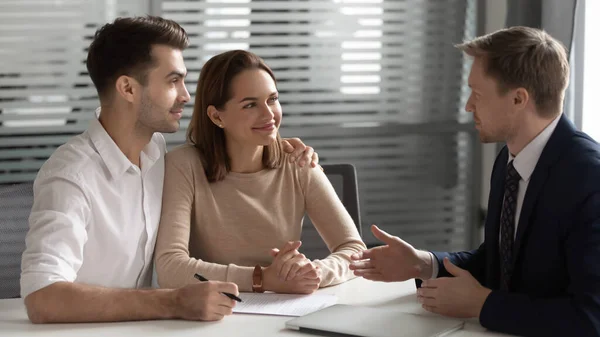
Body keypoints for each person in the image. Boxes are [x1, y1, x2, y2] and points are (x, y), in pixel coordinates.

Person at [20, 16, 318, 324]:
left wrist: (277, 145)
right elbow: (43, 298)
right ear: (128, 88)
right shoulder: (71, 175)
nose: (186, 95)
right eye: (173, 81)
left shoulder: (156, 152)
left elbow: (217, 150)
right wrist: (174, 300)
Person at [350, 26, 600, 337]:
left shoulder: (589, 179)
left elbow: (591, 318)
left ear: (519, 99)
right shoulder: (510, 160)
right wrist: (423, 264)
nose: (468, 106)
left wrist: (484, 305)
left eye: (477, 94)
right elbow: (499, 263)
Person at [154, 50, 366, 294]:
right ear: (216, 116)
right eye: (250, 104)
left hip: (282, 308)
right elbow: (170, 268)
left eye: (273, 99)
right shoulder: (184, 165)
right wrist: (262, 279)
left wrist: (314, 273)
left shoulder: (297, 161)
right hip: (212, 313)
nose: (269, 115)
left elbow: (354, 249)